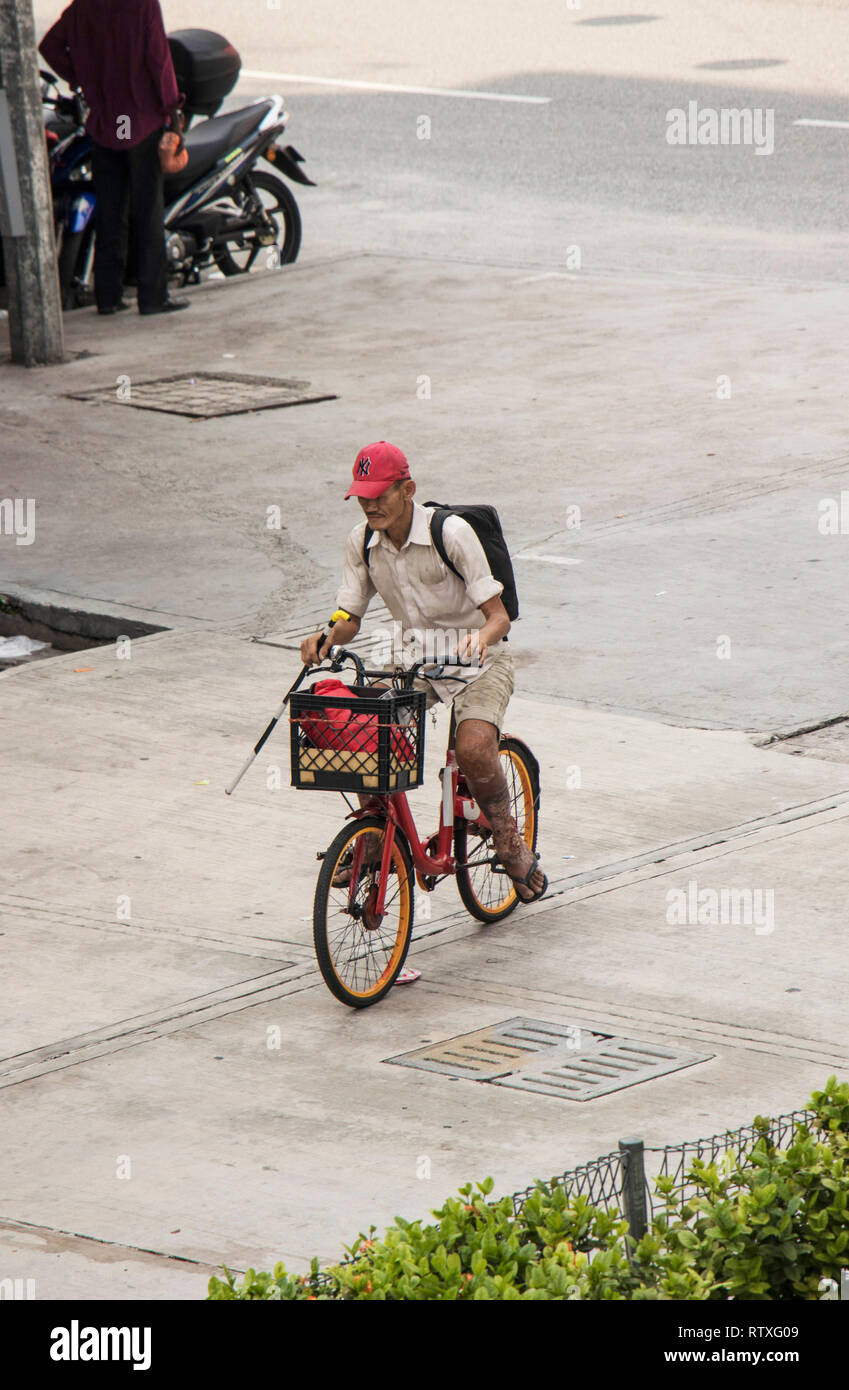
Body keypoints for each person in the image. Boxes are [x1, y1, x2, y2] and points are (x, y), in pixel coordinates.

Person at [300, 442, 548, 925]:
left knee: (475, 750)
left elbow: (499, 618)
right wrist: (326, 636)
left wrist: (477, 640)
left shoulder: (450, 534)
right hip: (413, 659)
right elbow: (349, 614)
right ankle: (375, 835)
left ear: (407, 489)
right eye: (362, 497)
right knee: (366, 734)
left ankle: (507, 838)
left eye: (380, 495)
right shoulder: (362, 541)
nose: (371, 505)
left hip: (478, 659)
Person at [39, 0, 189, 316]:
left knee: (110, 212)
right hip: (138, 120)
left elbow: (49, 47)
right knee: (147, 211)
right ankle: (152, 297)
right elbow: (159, 61)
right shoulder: (143, 6)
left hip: (108, 123)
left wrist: (80, 77)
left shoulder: (84, 7)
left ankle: (107, 296)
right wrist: (173, 111)